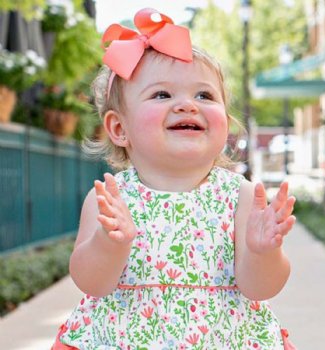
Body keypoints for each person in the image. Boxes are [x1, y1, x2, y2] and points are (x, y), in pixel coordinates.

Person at [52, 8, 297, 350]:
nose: (187, 105)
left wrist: (263, 252)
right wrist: (111, 244)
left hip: (224, 338)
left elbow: (260, 288)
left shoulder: (240, 196)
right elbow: (91, 282)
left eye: (204, 95)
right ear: (119, 128)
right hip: (124, 339)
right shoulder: (110, 199)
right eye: (162, 95)